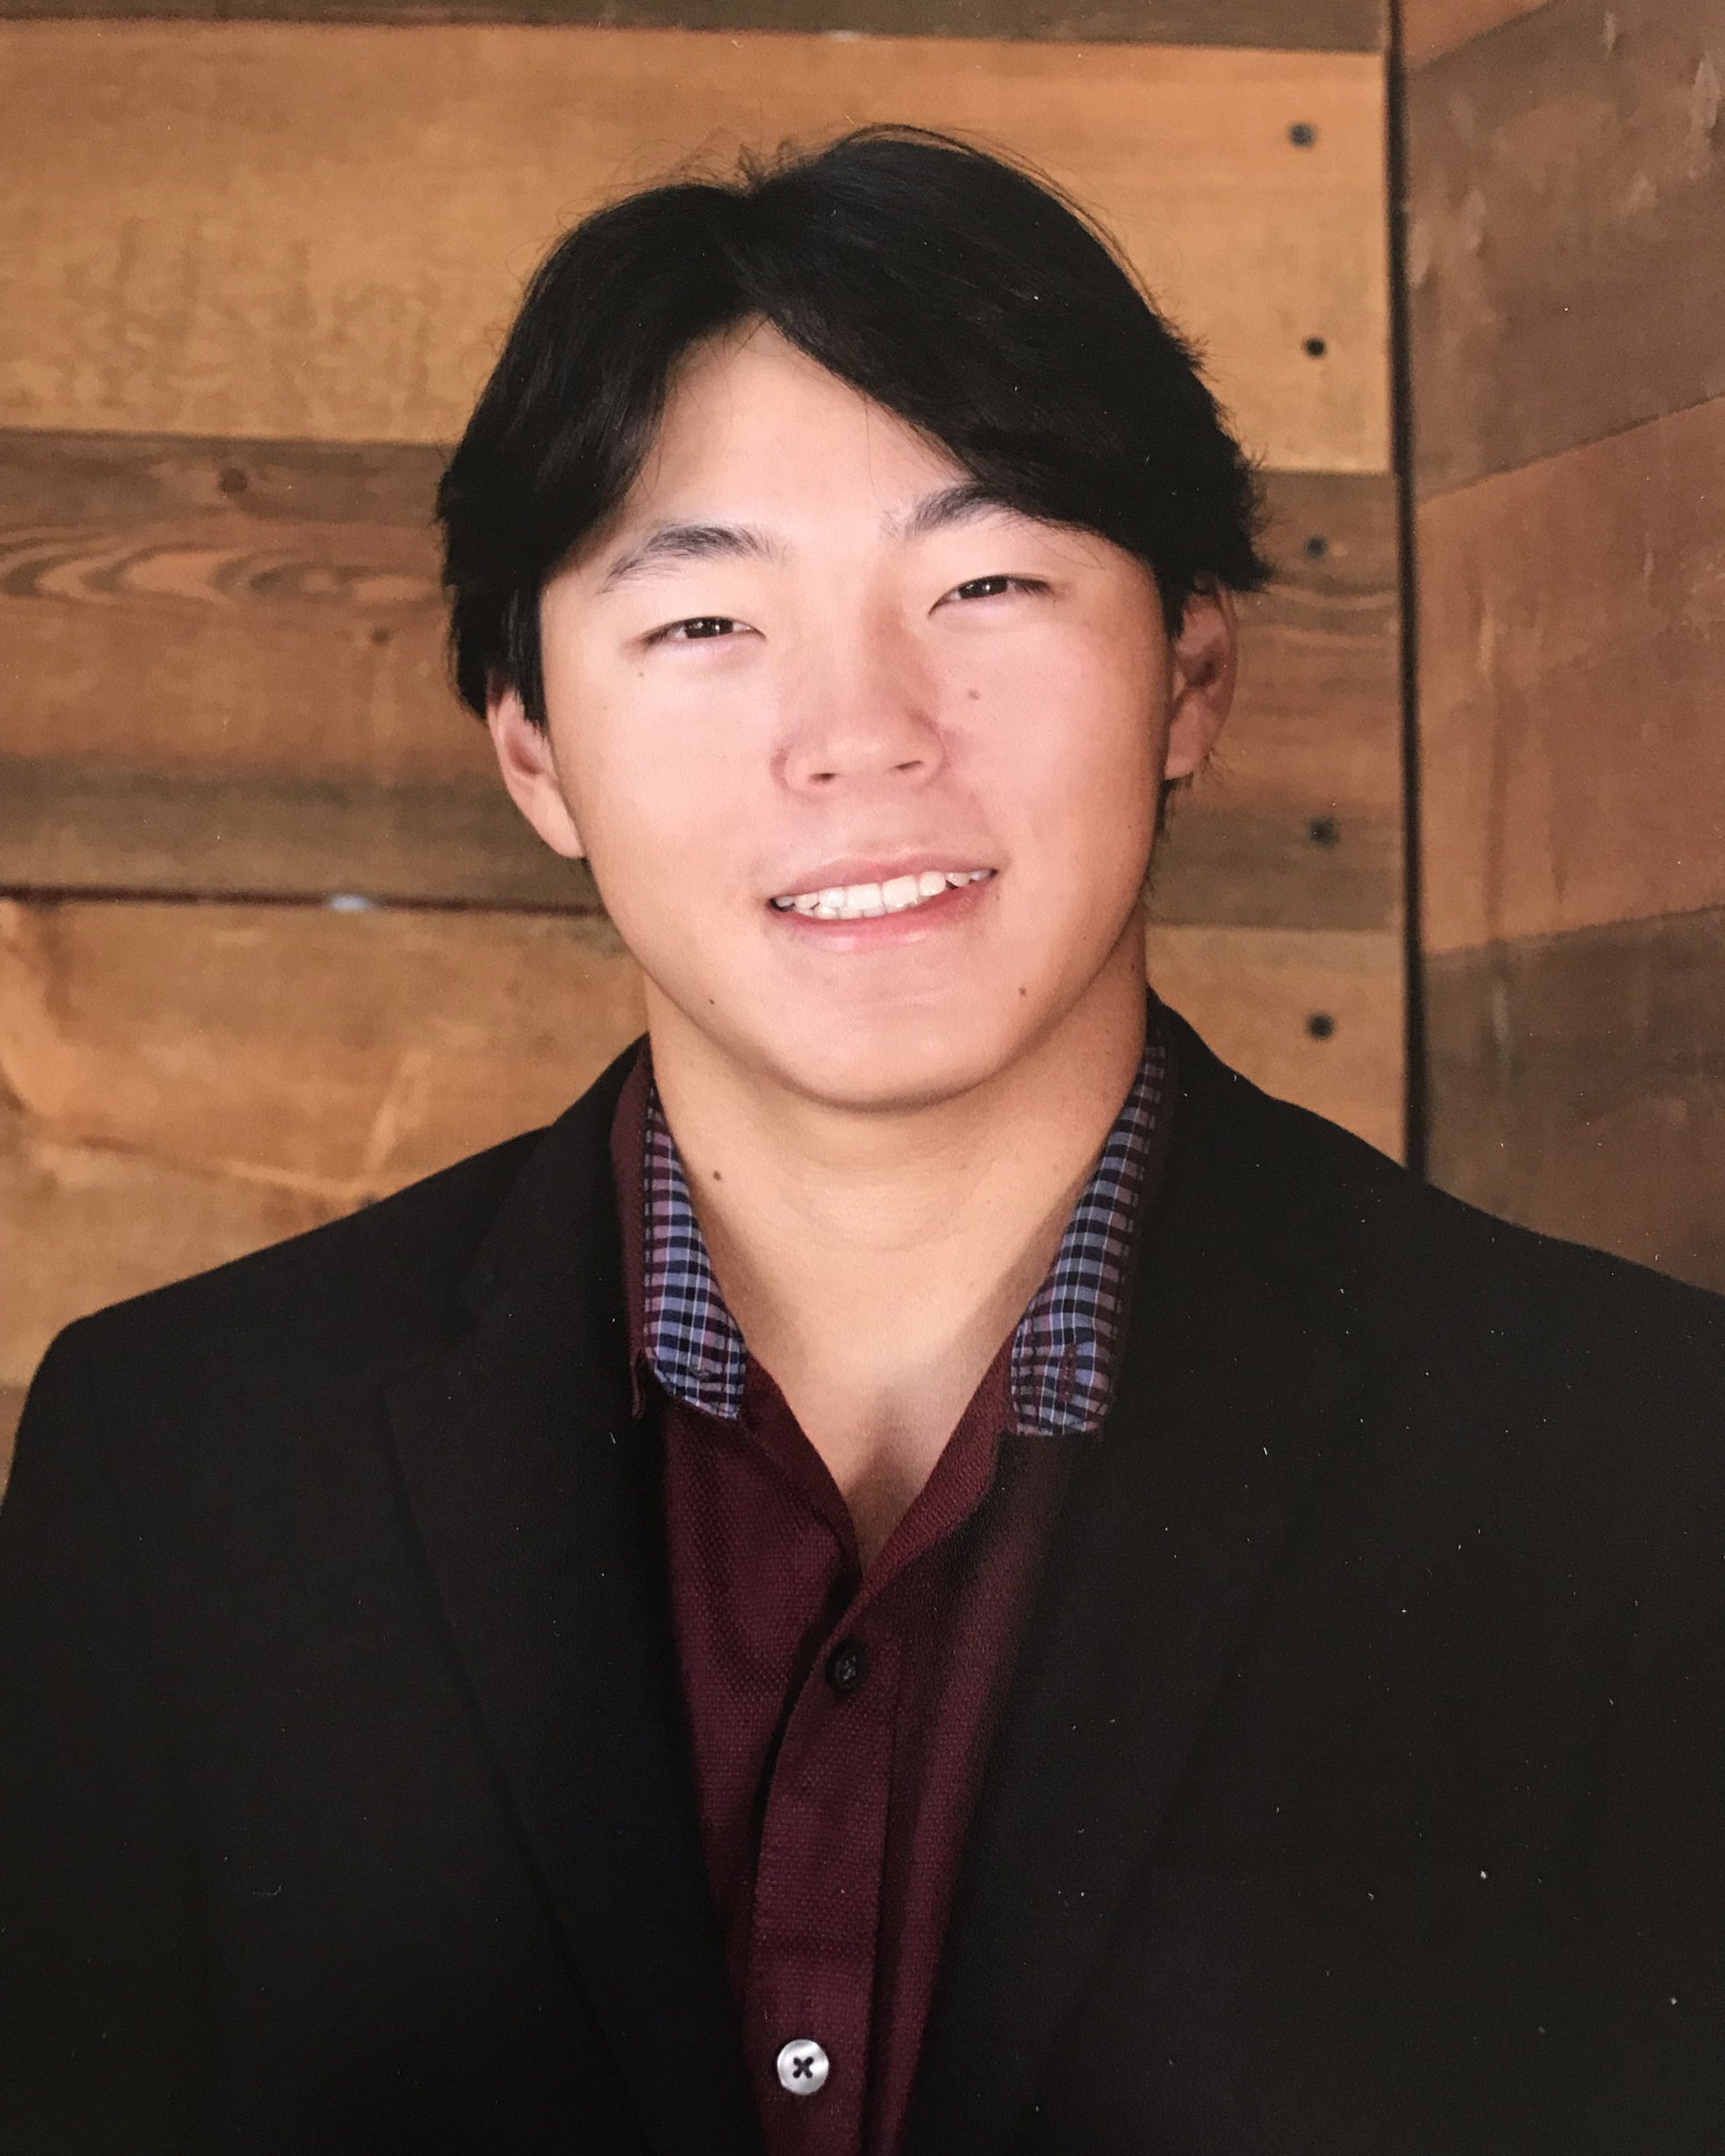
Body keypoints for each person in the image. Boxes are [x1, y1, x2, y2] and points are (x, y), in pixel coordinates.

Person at [1, 127, 1721, 2156]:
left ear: (1191, 672)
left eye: (987, 581)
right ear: (532, 748)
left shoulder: (1634, 1462)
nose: (863, 732)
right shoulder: (182, 1464)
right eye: (706, 624)